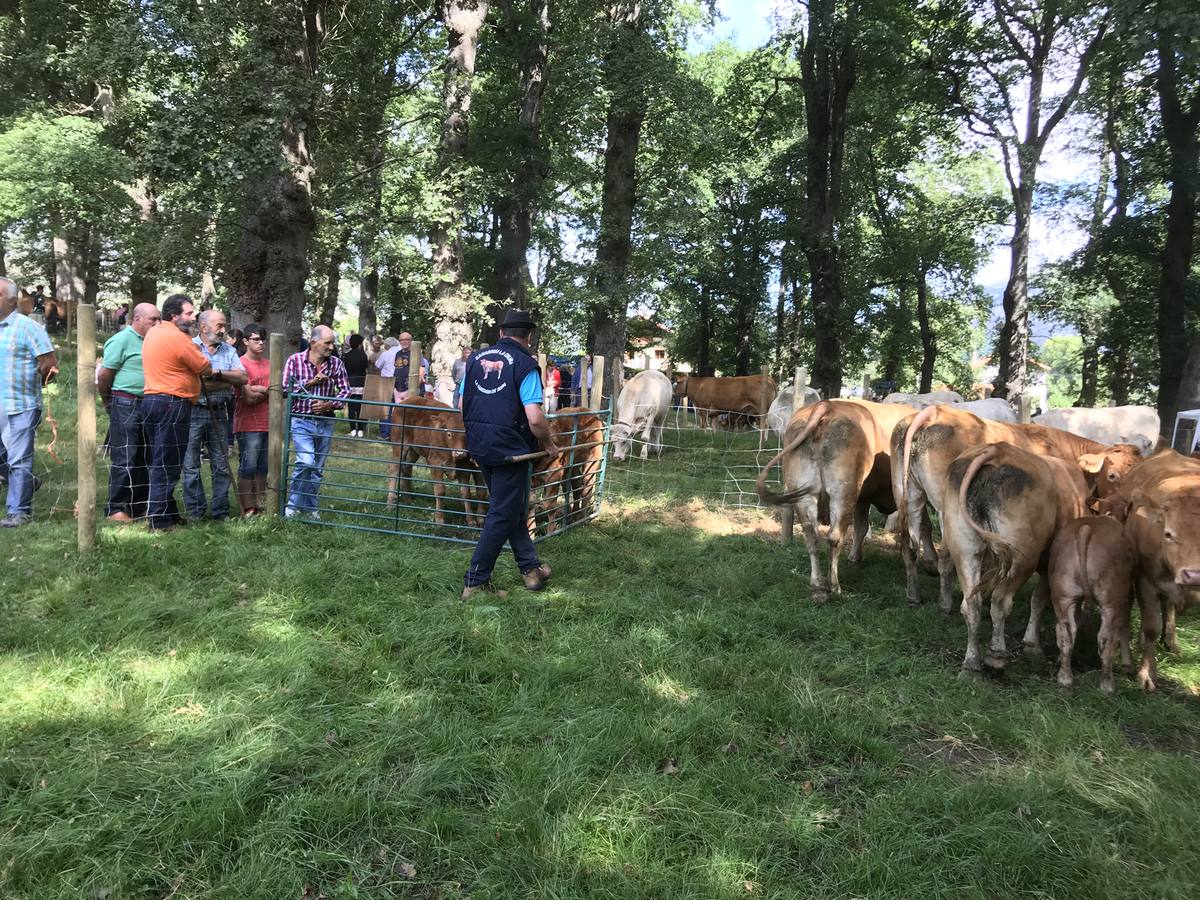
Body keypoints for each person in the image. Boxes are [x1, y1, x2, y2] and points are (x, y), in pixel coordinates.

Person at [458, 309, 559, 600]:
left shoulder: (475, 359)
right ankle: (475, 583)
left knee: (510, 508)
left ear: (501, 333)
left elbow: (463, 403)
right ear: (528, 337)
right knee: (502, 513)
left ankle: (531, 570)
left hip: (481, 446)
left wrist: (478, 434)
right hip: (511, 451)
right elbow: (535, 418)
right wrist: (549, 445)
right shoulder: (526, 365)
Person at [141, 294, 212, 531]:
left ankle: (168, 513)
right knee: (168, 463)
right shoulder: (177, 337)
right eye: (189, 313)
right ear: (174, 316)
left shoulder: (154, 332)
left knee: (160, 459)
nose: (193, 318)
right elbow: (204, 366)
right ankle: (159, 521)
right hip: (173, 403)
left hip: (152, 401)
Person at [0, 276, 58, 527]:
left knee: (19, 458)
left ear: (12, 301)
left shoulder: (27, 327)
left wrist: (40, 376)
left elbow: (49, 363)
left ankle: (18, 512)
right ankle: (28, 483)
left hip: (21, 403)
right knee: (9, 458)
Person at [97, 302, 161, 523]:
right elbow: (104, 376)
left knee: (145, 457)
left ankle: (139, 505)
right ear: (137, 319)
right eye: (153, 319)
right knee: (125, 456)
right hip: (125, 402)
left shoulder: (152, 341)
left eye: (158, 319)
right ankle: (115, 507)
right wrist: (109, 404)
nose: (157, 323)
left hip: (149, 403)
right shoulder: (122, 340)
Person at [182, 309, 246, 521]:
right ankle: (195, 511)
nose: (223, 330)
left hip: (219, 413)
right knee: (190, 464)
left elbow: (242, 378)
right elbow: (189, 382)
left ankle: (221, 511)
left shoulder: (228, 350)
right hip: (192, 412)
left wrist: (215, 374)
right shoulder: (189, 347)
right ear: (203, 327)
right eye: (219, 326)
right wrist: (227, 381)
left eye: (224, 325)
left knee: (222, 464)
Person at [283, 324, 349, 519]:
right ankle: (293, 506)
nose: (331, 347)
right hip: (301, 420)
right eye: (327, 343)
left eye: (332, 343)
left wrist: (328, 404)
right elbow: (285, 390)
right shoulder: (295, 361)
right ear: (313, 342)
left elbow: (346, 392)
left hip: (325, 421)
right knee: (306, 460)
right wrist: (311, 382)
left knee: (317, 467)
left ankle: (310, 508)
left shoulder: (336, 363)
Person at [234, 323, 270, 515]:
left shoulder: (270, 363)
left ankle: (260, 504)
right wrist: (266, 390)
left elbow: (277, 390)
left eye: (263, 339)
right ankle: (247, 508)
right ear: (246, 341)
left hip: (268, 422)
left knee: (263, 467)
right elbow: (248, 398)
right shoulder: (239, 363)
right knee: (248, 466)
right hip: (247, 424)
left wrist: (258, 389)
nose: (261, 343)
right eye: (256, 339)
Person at [342, 333, 369, 437]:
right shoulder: (363, 355)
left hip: (350, 383)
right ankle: (361, 430)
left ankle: (353, 429)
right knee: (360, 407)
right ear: (359, 344)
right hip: (362, 383)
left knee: (352, 408)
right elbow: (366, 368)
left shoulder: (347, 356)